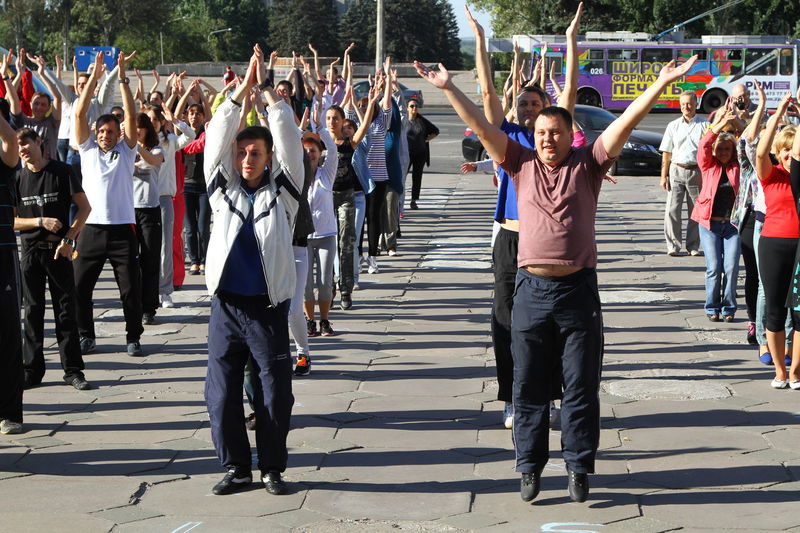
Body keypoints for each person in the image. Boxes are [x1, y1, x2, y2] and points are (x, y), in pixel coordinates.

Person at [415, 44, 698, 503]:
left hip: (577, 293)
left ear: (572, 135)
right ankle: (529, 467)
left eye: (555, 132)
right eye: (541, 131)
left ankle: (579, 467)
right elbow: (482, 128)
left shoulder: (588, 166)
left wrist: (661, 84)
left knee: (581, 387)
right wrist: (449, 89)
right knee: (528, 387)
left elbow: (624, 125)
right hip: (530, 290)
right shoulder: (520, 164)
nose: (546, 138)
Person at [465, 3, 580, 430]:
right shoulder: (509, 139)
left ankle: (548, 397)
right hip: (509, 239)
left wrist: (570, 41)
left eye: (535, 103)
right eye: (523, 104)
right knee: (504, 320)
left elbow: (567, 94)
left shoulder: (552, 143)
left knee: (546, 324)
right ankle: (513, 397)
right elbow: (488, 94)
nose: (528, 109)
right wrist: (479, 40)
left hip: (546, 244)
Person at [203, 45, 304, 497]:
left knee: (274, 395)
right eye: (242, 151)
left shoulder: (284, 192)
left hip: (267, 309)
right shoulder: (219, 187)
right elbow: (215, 137)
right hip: (226, 307)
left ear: (267, 158)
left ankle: (271, 469)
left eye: (256, 152)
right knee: (222, 395)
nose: (247, 158)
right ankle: (237, 468)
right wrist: (238, 94)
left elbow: (289, 140)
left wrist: (267, 95)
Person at [72, 50, 145, 357]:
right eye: (101, 131)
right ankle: (86, 335)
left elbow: (130, 116)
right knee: (79, 288)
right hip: (90, 230)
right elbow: (79, 114)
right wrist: (96, 78)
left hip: (122, 231)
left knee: (130, 290)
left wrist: (123, 78)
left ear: (119, 135)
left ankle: (133, 337)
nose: (104, 135)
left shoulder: (127, 151)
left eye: (110, 132)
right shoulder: (86, 149)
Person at [13, 127, 92, 390]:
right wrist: (38, 221)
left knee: (66, 312)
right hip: (31, 252)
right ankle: (32, 371)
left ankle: (73, 370)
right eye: (18, 146)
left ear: (39, 142)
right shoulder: (17, 177)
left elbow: (84, 207)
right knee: (32, 313)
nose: (22, 149)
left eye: (26, 143)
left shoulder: (61, 171)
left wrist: (70, 239)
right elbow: (11, 220)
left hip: (59, 251)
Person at [755, 92, 798, 389]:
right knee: (775, 309)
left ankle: (796, 372)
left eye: (792, 151)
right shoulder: (771, 175)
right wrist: (778, 111)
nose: (788, 155)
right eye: (784, 150)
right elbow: (760, 153)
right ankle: (780, 371)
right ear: (779, 151)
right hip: (772, 244)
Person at [691, 104, 741, 321]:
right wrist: (718, 124)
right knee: (714, 268)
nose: (722, 152)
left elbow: (750, 142)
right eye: (719, 149)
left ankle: (729, 308)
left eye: (726, 149)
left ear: (732, 151)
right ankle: (712, 308)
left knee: (731, 268)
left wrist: (736, 120)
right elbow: (704, 144)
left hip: (732, 225)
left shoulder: (738, 166)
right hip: (709, 224)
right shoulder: (708, 165)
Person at [144, 101, 195, 308]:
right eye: (149, 119)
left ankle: (165, 291)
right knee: (144, 246)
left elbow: (191, 136)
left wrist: (176, 121)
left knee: (166, 244)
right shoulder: (138, 142)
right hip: (142, 199)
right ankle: (146, 288)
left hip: (164, 198)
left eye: (156, 119)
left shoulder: (170, 140)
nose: (152, 123)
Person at [659, 91, 709, 256]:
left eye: (689, 104)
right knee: (672, 210)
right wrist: (663, 176)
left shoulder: (704, 124)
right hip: (676, 170)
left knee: (695, 211)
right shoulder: (673, 125)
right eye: (683, 104)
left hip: (696, 172)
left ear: (696, 104)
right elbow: (667, 153)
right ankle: (673, 246)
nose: (686, 107)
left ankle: (693, 246)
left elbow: (709, 150)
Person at [0, 97, 24, 435]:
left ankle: (9, 413)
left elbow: (10, 142)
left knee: (5, 336)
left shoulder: (5, 160)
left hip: (2, 257)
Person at [303, 122, 339, 341]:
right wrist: (298, 133)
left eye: (313, 151)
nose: (310, 155)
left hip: (326, 234)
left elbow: (333, 149)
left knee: (324, 282)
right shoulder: (297, 174)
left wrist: (318, 129)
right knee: (305, 284)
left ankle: (324, 319)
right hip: (303, 237)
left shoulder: (327, 174)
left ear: (319, 153)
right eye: (306, 152)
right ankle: (310, 321)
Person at [133, 112, 165, 325]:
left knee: (150, 259)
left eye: (140, 127)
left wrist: (136, 148)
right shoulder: (122, 150)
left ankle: (149, 307)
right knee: (130, 262)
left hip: (149, 209)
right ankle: (133, 304)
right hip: (126, 210)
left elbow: (154, 161)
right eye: (132, 127)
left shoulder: (156, 149)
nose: (136, 131)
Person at [404, 98, 439, 209]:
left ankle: (413, 200)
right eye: (412, 106)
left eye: (416, 106)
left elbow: (435, 131)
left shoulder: (421, 120)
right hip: (406, 153)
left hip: (420, 153)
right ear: (407, 108)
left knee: (417, 177)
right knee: (402, 176)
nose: (414, 108)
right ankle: (399, 199)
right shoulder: (403, 120)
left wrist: (426, 139)